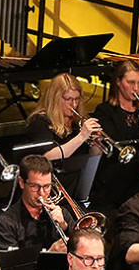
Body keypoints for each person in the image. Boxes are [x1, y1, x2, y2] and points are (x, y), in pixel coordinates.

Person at [91, 61, 139, 210]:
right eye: (131, 82)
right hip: (117, 171)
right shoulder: (105, 111)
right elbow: (116, 144)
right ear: (118, 82)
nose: (136, 88)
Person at [27, 73, 103, 202]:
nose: (73, 104)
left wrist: (97, 145)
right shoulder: (40, 121)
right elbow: (48, 156)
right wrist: (82, 137)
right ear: (55, 98)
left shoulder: (79, 122)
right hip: (51, 188)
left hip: (78, 186)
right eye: (67, 99)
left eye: (77, 99)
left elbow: (92, 158)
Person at [0, 154, 69, 251]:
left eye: (46, 186)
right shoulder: (5, 223)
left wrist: (64, 226)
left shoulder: (61, 213)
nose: (41, 193)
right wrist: (50, 253)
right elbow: (13, 264)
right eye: (35, 186)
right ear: (21, 183)